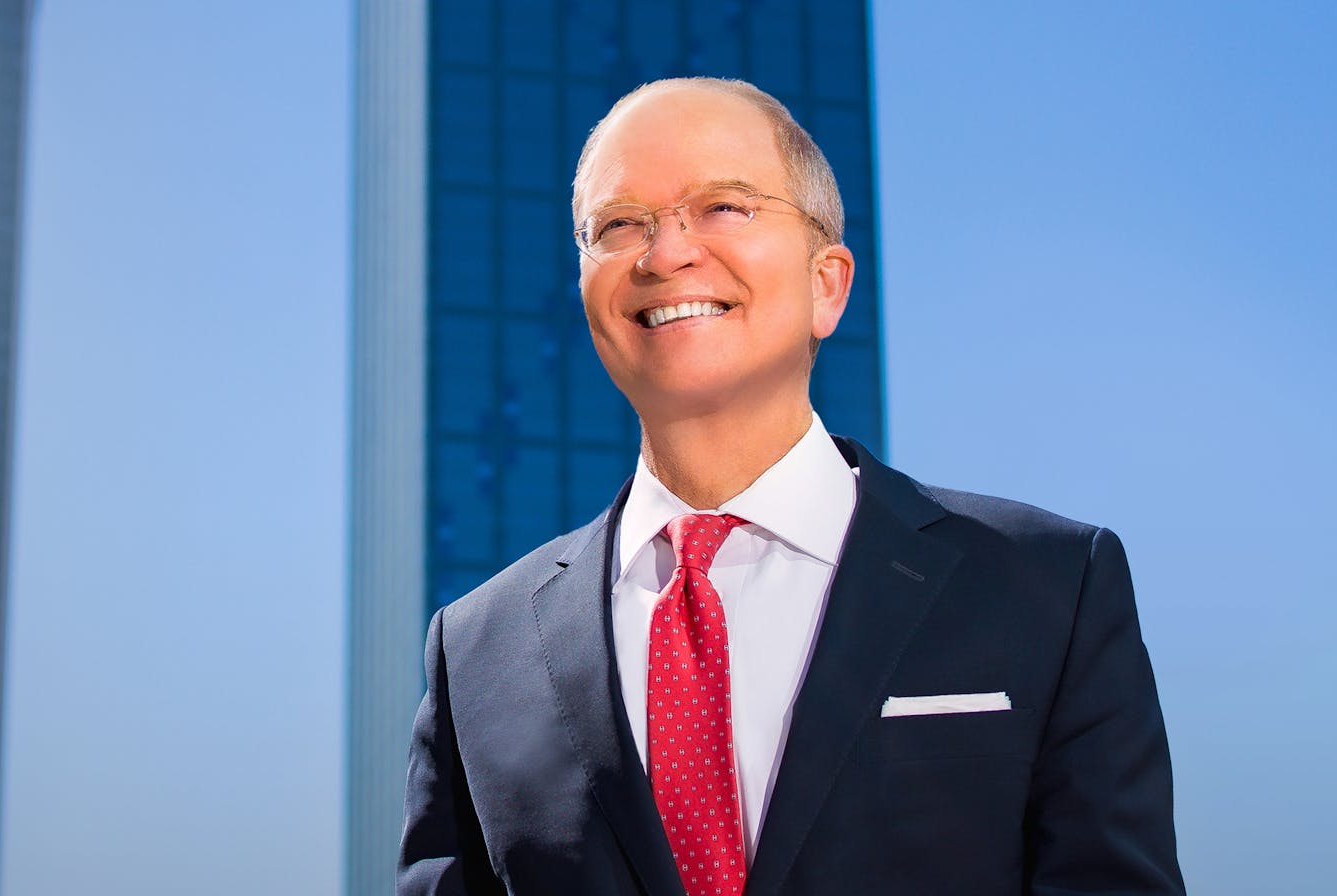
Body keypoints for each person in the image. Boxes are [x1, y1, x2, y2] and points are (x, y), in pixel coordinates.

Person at [397, 77, 1182, 896]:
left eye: (723, 208)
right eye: (619, 225)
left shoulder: (1047, 585)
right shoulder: (478, 648)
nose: (666, 254)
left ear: (827, 284)